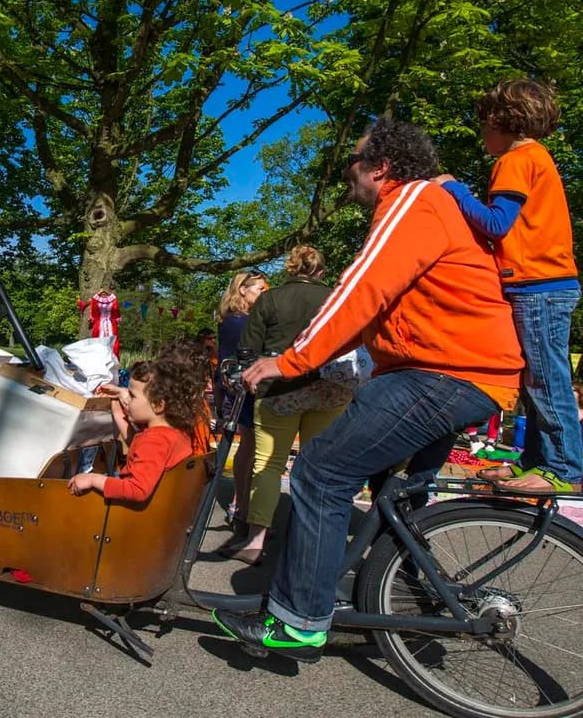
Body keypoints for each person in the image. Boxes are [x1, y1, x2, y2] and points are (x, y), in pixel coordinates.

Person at [212, 116, 524, 663]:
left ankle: (300, 620)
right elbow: (371, 313)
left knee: (321, 470)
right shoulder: (434, 205)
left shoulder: (411, 203)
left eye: (354, 165)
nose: (348, 178)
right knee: (393, 494)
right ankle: (413, 592)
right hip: (464, 372)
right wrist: (306, 360)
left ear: (380, 167)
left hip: (444, 373)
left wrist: (287, 361)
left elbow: (359, 291)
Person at [435, 79, 580, 494]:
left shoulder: (516, 161)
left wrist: (453, 188)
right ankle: (536, 461)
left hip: (539, 286)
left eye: (484, 126)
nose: (482, 136)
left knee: (545, 380)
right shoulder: (537, 157)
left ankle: (564, 469)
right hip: (545, 284)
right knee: (536, 378)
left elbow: (497, 224)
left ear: (503, 121)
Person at [219, 246, 346, 566]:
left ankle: (256, 539)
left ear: (290, 269)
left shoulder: (269, 300)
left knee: (268, 463)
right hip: (329, 388)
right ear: (320, 271)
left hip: (278, 388)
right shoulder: (336, 298)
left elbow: (248, 350)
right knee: (317, 464)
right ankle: (308, 541)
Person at [67, 340, 206, 503]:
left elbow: (137, 489)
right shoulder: (172, 433)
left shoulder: (154, 441)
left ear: (158, 405)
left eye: (132, 396)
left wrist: (93, 479)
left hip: (131, 518)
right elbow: (136, 447)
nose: (128, 399)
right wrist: (117, 405)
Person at [217, 270, 268, 536]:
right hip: (240, 390)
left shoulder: (239, 319)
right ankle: (241, 504)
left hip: (241, 388)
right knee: (248, 446)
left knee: (250, 446)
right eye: (260, 289)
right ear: (243, 291)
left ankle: (244, 505)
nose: (264, 293)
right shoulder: (238, 322)